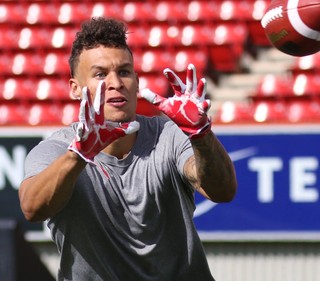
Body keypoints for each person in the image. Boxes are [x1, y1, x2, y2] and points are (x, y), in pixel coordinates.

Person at [18, 17, 237, 281]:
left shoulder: (168, 135)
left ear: (135, 80)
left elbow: (223, 191)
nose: (116, 82)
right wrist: (79, 155)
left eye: (124, 72)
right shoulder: (56, 149)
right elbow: (32, 209)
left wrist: (201, 136)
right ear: (76, 89)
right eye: (100, 74)